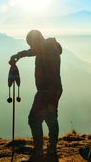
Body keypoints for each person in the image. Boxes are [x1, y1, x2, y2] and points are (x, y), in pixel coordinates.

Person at [9, 30, 63, 162]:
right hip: (55, 89)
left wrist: (18, 55)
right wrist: (19, 55)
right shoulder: (50, 47)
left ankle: (39, 151)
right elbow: (34, 51)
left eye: (31, 43)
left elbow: (34, 51)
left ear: (36, 40)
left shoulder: (46, 47)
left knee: (34, 119)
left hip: (46, 91)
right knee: (51, 118)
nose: (31, 46)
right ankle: (51, 150)